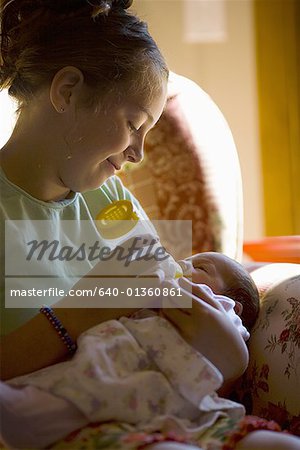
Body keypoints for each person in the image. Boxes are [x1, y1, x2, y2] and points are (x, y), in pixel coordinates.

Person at [0, 1, 299, 449]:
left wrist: (213, 325)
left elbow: (168, 292)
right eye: (133, 124)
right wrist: (85, 306)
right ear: (67, 91)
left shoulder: (110, 200)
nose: (138, 152)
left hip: (154, 402)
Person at [181, 252, 260, 333]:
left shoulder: (225, 312)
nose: (182, 263)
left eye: (200, 268)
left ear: (234, 310)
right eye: (185, 260)